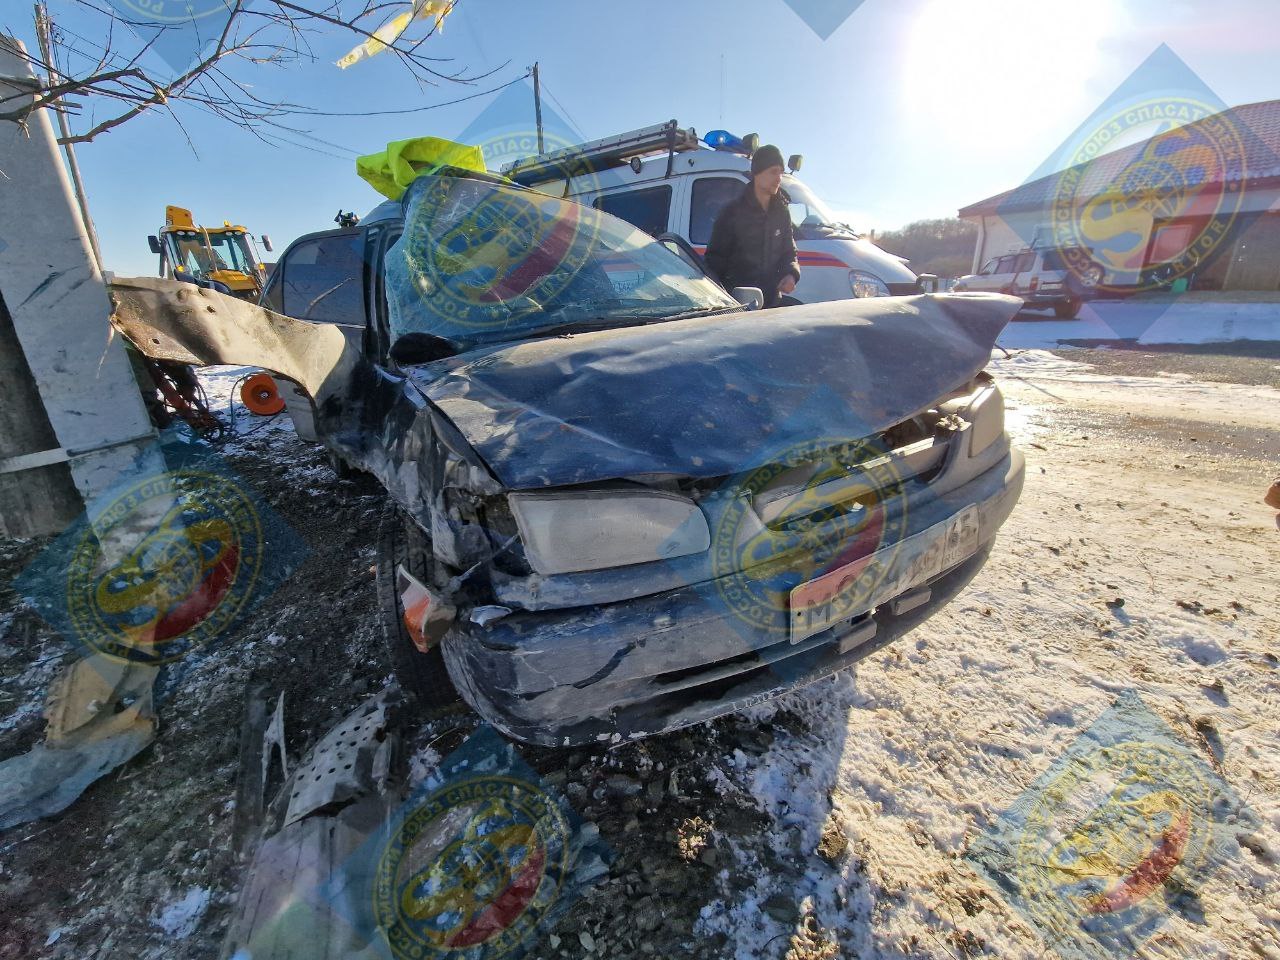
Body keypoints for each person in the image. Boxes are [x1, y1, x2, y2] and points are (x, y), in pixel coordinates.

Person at [704, 144, 801, 309]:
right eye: (773, 172)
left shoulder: (782, 213)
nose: (778, 178)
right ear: (757, 172)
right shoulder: (732, 212)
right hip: (738, 307)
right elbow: (714, 263)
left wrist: (791, 274)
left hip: (772, 305)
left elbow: (789, 253)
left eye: (781, 172)